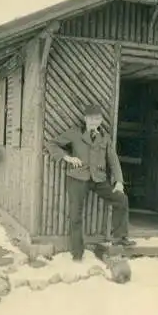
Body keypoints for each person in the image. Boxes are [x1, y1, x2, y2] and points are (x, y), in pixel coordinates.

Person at [46, 104, 136, 261]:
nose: (94, 122)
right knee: (76, 215)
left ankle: (120, 238)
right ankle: (77, 253)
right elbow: (52, 144)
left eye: (97, 119)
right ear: (85, 119)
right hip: (77, 178)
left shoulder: (105, 137)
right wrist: (67, 157)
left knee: (121, 199)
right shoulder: (75, 133)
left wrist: (119, 181)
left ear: (101, 120)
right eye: (91, 119)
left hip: (98, 179)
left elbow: (113, 160)